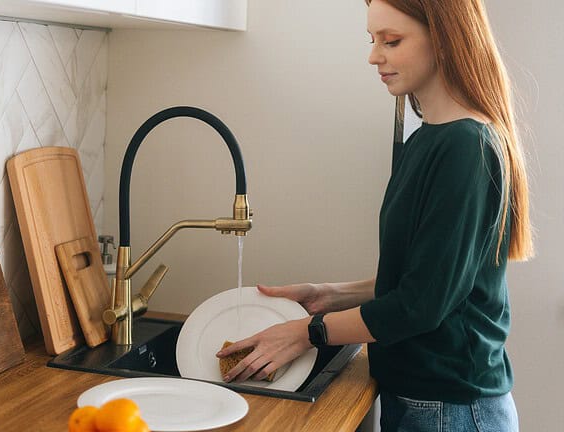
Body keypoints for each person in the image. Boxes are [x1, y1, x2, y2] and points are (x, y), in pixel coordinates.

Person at [216, 0, 533, 431]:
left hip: (452, 408)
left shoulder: (465, 147)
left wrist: (307, 331)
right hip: (424, 399)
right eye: (373, 40)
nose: (374, 56)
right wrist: (328, 295)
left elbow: (420, 307)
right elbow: (426, 280)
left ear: (444, 37)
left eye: (392, 40)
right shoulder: (428, 138)